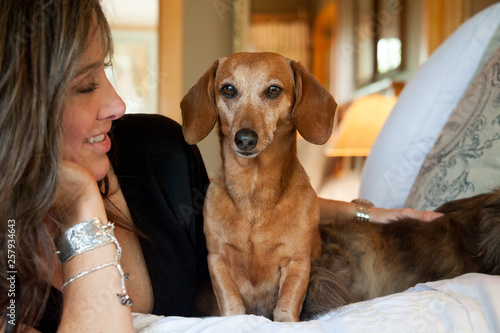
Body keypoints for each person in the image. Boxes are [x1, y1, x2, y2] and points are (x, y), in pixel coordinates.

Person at [0, 1, 440, 332]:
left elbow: (261, 206)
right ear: (20, 106)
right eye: (85, 86)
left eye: (107, 72)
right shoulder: (10, 251)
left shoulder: (160, 152)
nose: (118, 103)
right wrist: (82, 205)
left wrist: (370, 212)